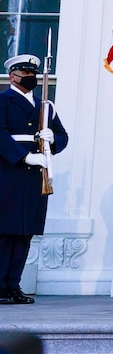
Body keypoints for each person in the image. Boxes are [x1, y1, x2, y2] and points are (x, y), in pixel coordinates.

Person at [0, 54, 69, 305]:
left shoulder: (45, 107)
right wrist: (24, 157)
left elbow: (62, 136)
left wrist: (52, 139)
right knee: (5, 233)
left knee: (25, 233)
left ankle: (13, 285)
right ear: (13, 76)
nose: (30, 78)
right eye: (25, 74)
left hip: (35, 176)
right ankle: (0, 286)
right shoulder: (3, 101)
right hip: (10, 173)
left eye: (33, 74)